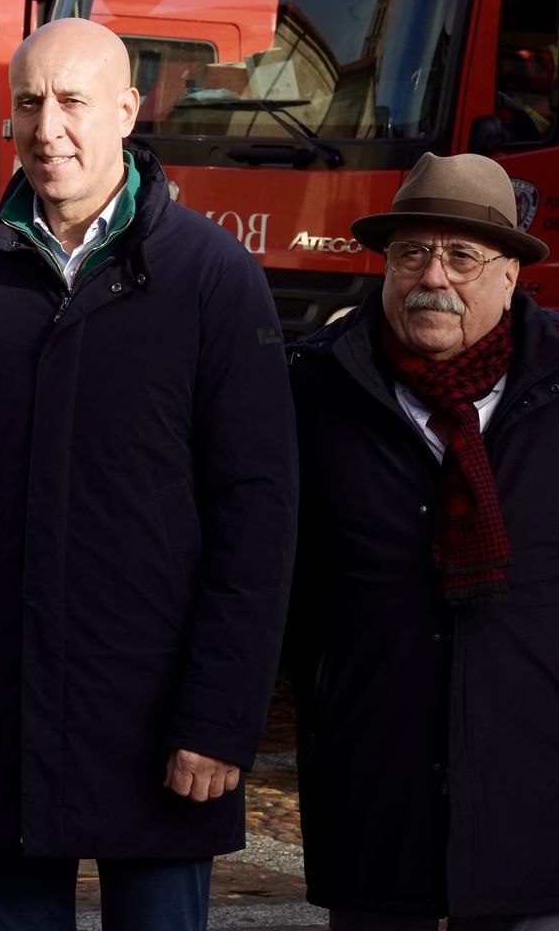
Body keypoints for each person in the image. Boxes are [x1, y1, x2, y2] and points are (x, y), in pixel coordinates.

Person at [0, 18, 297, 930]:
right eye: (30, 103)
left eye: (74, 103)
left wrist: (220, 715)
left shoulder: (212, 279)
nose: (49, 129)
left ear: (129, 110)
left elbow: (259, 514)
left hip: (160, 719)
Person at [288, 153, 559, 930]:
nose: (430, 276)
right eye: (410, 253)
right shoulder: (313, 390)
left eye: (462, 256)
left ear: (511, 274)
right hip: (377, 792)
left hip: (537, 806)